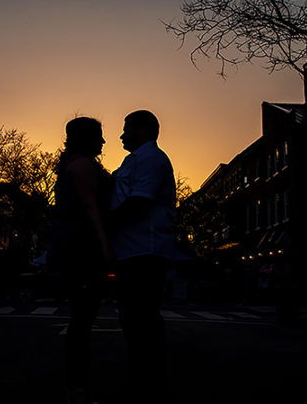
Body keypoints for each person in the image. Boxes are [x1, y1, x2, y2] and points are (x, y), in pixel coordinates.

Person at [109, 110, 177, 403]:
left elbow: (138, 203)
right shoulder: (134, 160)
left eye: (126, 129)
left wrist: (104, 224)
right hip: (130, 250)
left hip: (144, 252)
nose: (122, 135)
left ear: (142, 129)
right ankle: (144, 381)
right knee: (132, 318)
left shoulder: (152, 160)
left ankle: (147, 385)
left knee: (141, 320)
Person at [50, 117, 114, 404]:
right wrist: (105, 248)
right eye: (98, 136)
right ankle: (75, 387)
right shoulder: (82, 165)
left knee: (81, 320)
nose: (102, 142)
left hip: (73, 247)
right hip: (82, 249)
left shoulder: (71, 163)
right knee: (82, 321)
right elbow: (90, 207)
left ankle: (74, 385)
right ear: (87, 138)